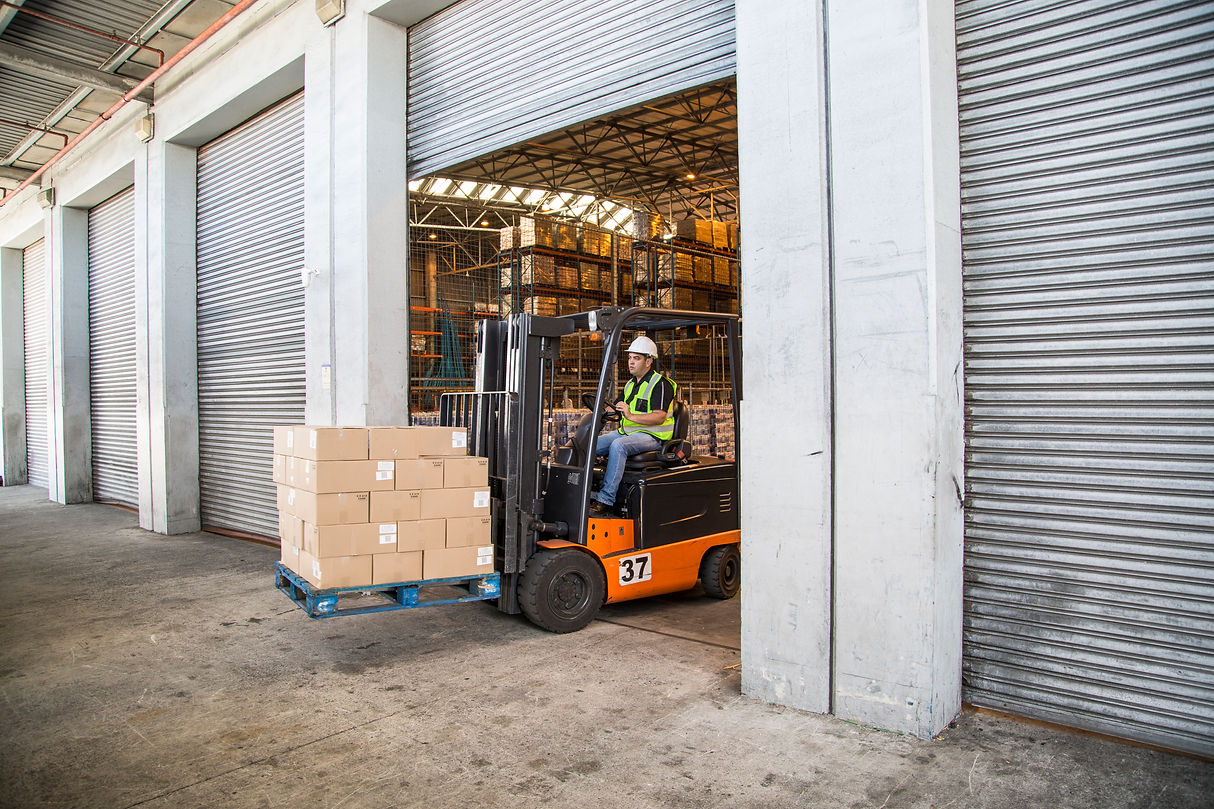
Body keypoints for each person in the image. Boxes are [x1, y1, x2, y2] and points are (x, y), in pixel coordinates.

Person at [590, 335, 677, 515]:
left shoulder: (660, 384)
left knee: (618, 446)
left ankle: (606, 499)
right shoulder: (630, 385)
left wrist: (629, 414)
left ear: (649, 361)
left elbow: (659, 417)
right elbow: (614, 407)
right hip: (628, 433)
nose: (631, 362)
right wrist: (599, 410)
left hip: (654, 437)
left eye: (636, 358)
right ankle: (584, 491)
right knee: (590, 444)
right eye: (630, 357)